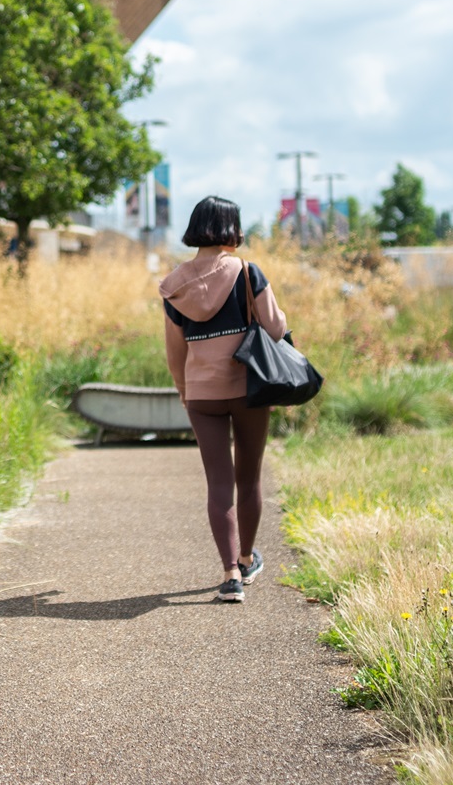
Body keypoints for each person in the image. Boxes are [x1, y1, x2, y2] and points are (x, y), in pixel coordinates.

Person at [159, 196, 289, 604]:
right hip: (249, 387)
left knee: (218, 483)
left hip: (202, 393)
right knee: (248, 477)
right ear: (231, 229)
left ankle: (230, 575)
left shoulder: (174, 285)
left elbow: (174, 351)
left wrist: (184, 391)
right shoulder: (247, 272)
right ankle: (248, 558)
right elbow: (275, 326)